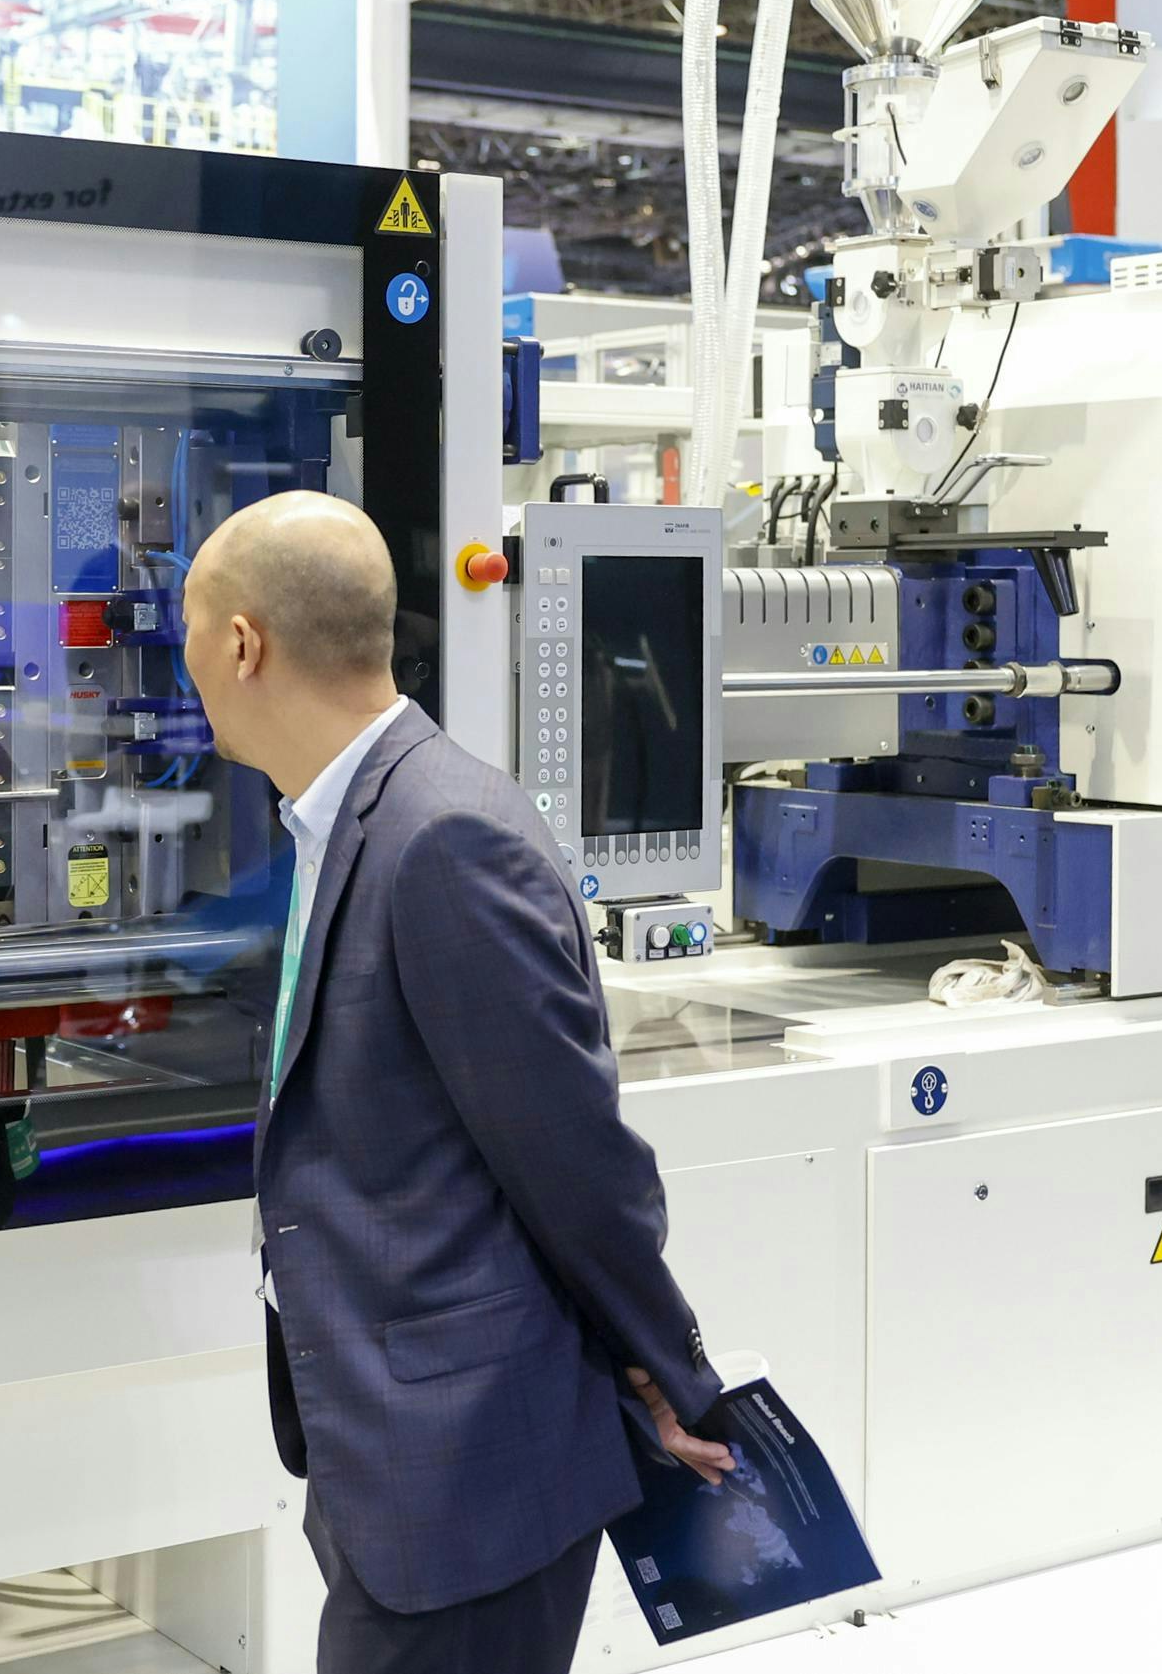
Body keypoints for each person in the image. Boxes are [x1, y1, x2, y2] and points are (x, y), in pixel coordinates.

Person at [180, 490, 734, 1674]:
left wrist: (672, 1368)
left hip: (470, 1467)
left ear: (241, 643)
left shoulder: (441, 836)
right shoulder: (349, 824)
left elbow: (574, 1156)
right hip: (395, 1450)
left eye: (187, 630)